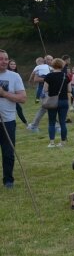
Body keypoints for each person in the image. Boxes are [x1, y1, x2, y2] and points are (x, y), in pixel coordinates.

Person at [0, 49, 27, 189]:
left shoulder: (14, 76)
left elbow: (22, 98)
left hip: (7, 120)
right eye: (1, 59)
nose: (4, 61)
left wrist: (4, 93)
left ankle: (8, 180)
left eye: (6, 59)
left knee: (8, 152)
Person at [43, 58, 71, 148]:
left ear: (52, 65)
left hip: (52, 101)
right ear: (62, 65)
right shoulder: (65, 76)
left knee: (51, 122)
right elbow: (69, 90)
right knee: (62, 122)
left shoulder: (48, 76)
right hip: (64, 101)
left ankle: (51, 142)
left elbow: (45, 89)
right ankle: (63, 142)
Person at [7, 60, 27, 125]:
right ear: (8, 65)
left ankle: (25, 123)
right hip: (9, 95)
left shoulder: (16, 74)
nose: (13, 65)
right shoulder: (6, 73)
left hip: (15, 96)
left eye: (14, 64)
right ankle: (26, 124)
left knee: (18, 109)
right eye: (11, 64)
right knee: (18, 109)